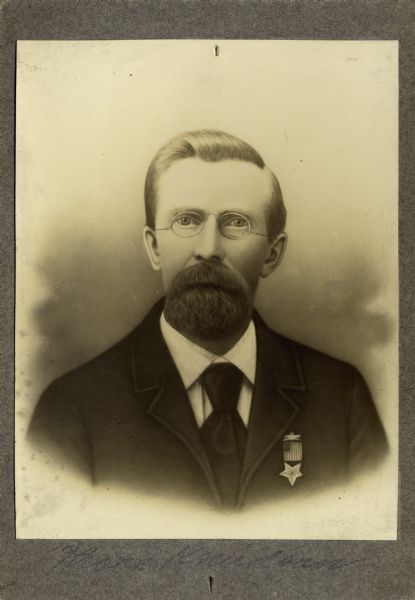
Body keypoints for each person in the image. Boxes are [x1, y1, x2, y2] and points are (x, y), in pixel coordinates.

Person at [28, 129, 388, 509]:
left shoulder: (342, 399)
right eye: (186, 220)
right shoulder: (71, 411)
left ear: (272, 253)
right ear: (153, 247)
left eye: (235, 222)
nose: (209, 249)